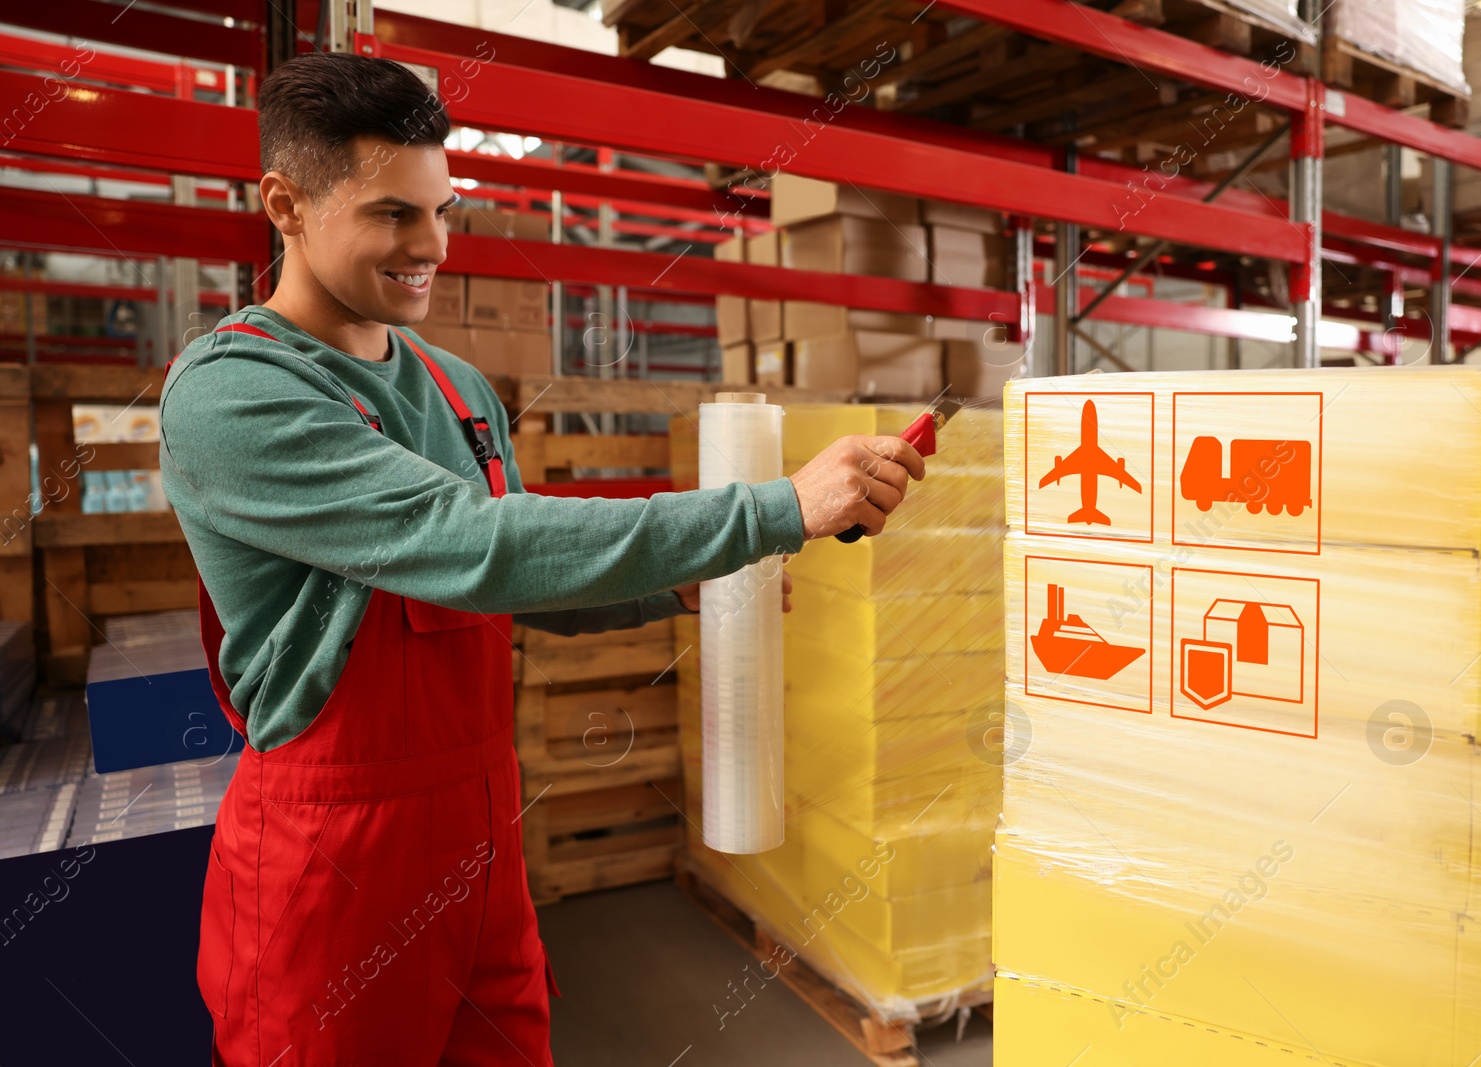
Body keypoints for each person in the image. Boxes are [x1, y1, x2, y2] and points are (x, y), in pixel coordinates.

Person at [158, 51, 925, 1067]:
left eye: (444, 209)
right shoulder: (232, 394)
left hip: (481, 840)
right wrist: (774, 507)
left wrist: (672, 586)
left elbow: (513, 581)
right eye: (394, 214)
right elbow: (469, 541)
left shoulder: (455, 383)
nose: (432, 244)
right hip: (336, 858)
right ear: (285, 204)